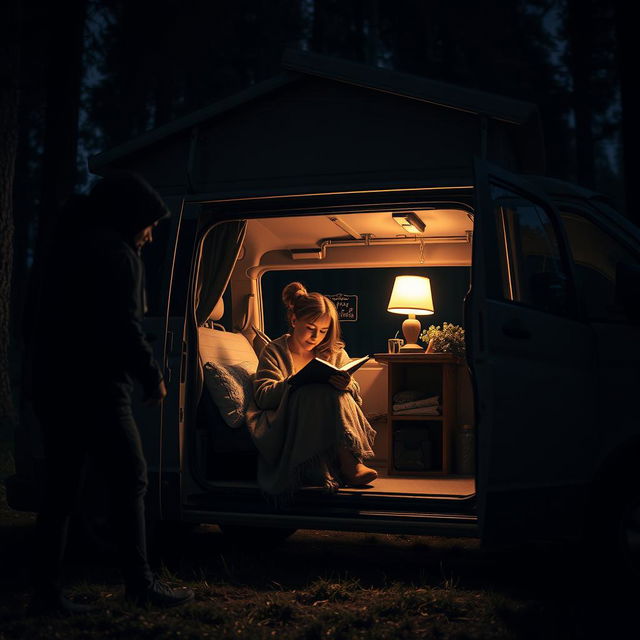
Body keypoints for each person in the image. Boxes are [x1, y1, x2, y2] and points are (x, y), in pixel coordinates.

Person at [27, 170, 194, 616]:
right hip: (97, 387)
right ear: (131, 216)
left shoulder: (70, 246)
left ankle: (45, 593)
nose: (153, 234)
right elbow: (124, 326)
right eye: (151, 223)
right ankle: (140, 585)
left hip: (54, 383)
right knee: (130, 478)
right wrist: (152, 375)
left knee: (62, 489)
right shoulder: (117, 254)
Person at [246, 282, 377, 499]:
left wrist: (348, 384)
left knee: (336, 391)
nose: (317, 337)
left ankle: (346, 462)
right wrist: (293, 382)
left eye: (324, 331)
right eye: (310, 328)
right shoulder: (274, 351)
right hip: (286, 418)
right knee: (312, 392)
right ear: (294, 320)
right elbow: (262, 396)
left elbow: (355, 395)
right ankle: (348, 465)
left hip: (327, 411)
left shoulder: (334, 351)